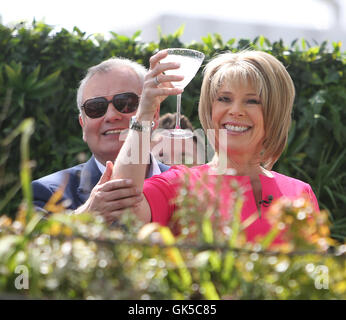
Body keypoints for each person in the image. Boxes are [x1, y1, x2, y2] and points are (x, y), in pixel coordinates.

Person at [112, 49, 319, 243]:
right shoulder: (180, 185)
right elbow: (122, 208)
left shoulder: (300, 194)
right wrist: (144, 114)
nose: (235, 110)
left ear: (275, 112)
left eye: (252, 101)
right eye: (224, 99)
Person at [32, 57, 170, 222]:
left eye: (126, 102)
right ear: (83, 125)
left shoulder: (184, 184)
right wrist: (86, 216)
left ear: (153, 114)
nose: (111, 116)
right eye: (95, 108)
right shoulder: (48, 193)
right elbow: (34, 243)